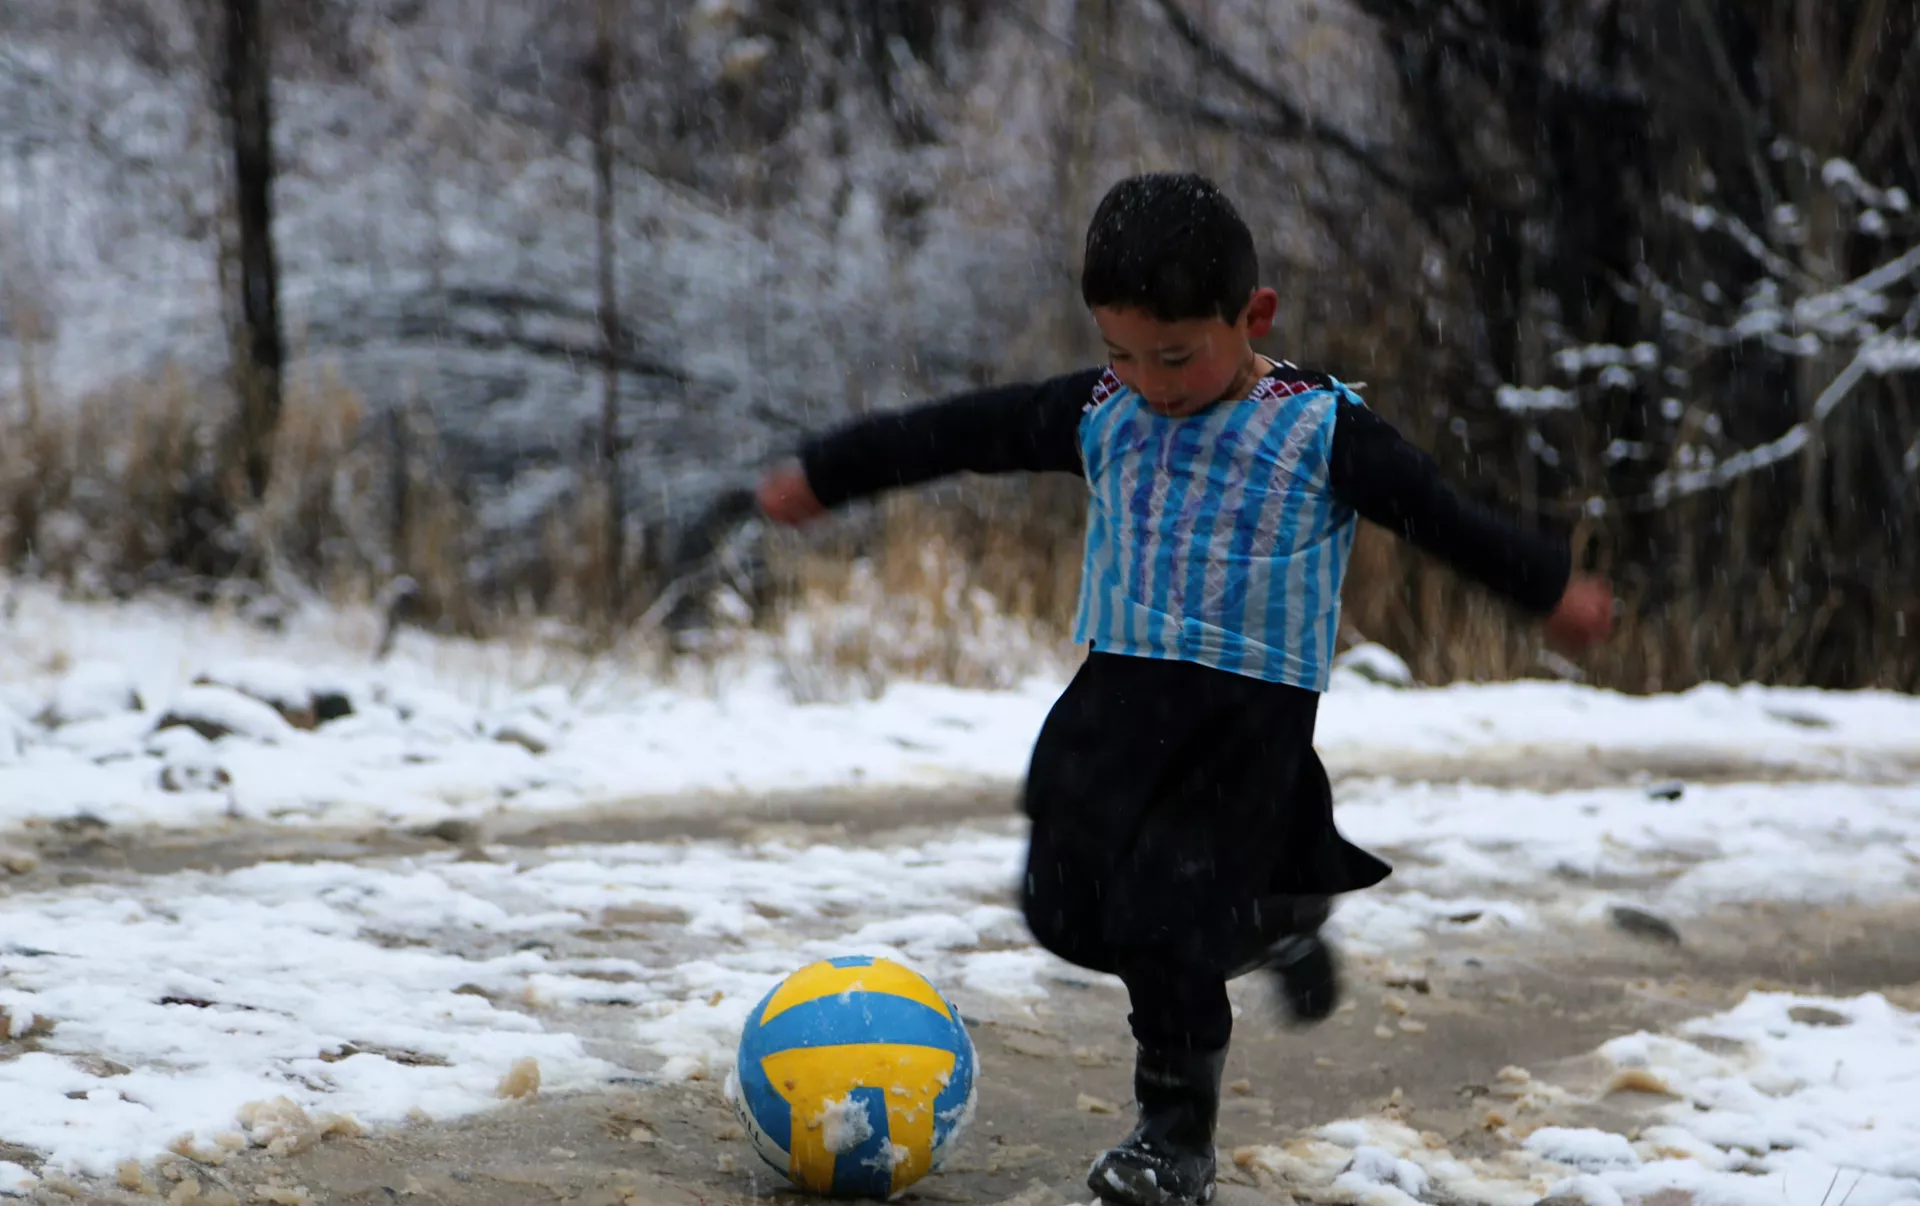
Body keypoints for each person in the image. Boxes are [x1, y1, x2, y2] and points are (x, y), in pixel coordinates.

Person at [755, 172, 1615, 1206]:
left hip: (1243, 726)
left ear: (1253, 316)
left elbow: (1441, 514)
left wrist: (1546, 588)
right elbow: (958, 433)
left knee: (1163, 921)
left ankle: (1174, 1135)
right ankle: (1275, 912)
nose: (1148, 382)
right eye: (1121, 352)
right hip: (1116, 702)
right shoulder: (1102, 410)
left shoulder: (1319, 428)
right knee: (1062, 909)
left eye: (1175, 356)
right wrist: (829, 472)